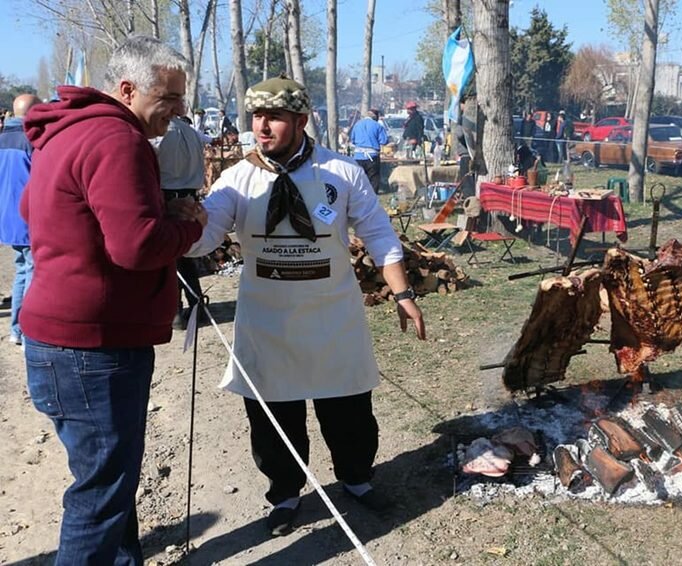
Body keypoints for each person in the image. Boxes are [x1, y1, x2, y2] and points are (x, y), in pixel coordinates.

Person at [186, 76, 426, 537]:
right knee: (273, 415)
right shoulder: (238, 178)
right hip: (266, 320)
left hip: (332, 316)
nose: (262, 127)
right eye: (256, 117)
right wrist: (178, 222)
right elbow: (206, 237)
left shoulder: (342, 172)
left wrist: (403, 294)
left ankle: (356, 480)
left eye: (273, 117)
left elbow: (378, 234)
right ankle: (286, 493)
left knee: (349, 408)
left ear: (300, 120)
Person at [20, 36, 206, 564]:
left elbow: (40, 211)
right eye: (169, 98)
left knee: (106, 478)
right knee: (100, 494)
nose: (179, 111)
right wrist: (189, 229)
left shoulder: (65, 131)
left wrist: (156, 220)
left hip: (57, 338)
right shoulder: (117, 140)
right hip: (93, 348)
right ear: (127, 89)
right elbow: (137, 246)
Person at [152, 116, 211, 329]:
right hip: (190, 195)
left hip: (169, 198)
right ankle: (196, 305)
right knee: (184, 256)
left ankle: (176, 309)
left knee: (170, 256)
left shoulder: (160, 132)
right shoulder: (191, 132)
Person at [0, 93, 41, 346]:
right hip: (29, 218)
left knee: (22, 271)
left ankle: (16, 328)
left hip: (8, 218)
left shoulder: (1, 139)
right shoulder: (33, 141)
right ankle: (25, 330)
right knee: (32, 272)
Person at [349, 108, 389, 193]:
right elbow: (384, 141)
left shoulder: (357, 124)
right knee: (373, 177)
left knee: (360, 177)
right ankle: (372, 195)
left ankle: (359, 194)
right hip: (372, 156)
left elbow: (352, 140)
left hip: (358, 156)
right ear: (376, 117)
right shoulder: (377, 126)